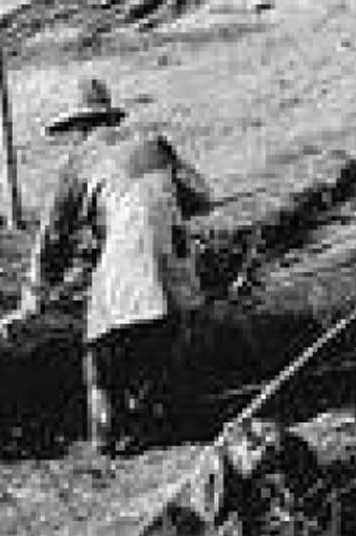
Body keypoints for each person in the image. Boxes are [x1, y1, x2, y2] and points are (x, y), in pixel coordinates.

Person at [20, 77, 215, 456]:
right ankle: (161, 420)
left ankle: (106, 436)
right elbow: (202, 197)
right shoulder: (154, 144)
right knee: (159, 335)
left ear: (78, 127)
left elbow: (54, 236)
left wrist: (35, 291)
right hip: (175, 257)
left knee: (100, 343)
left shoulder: (80, 162)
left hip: (131, 255)